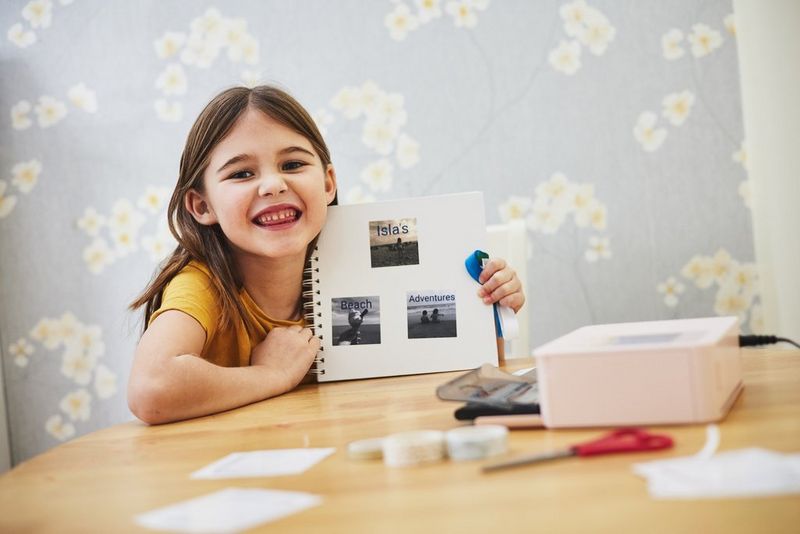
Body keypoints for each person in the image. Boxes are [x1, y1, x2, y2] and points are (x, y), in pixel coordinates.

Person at [128, 85, 526, 425]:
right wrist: (272, 374)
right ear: (201, 206)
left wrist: (487, 316)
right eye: (242, 173)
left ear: (328, 183)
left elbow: (462, 378)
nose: (272, 184)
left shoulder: (358, 268)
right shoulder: (202, 285)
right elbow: (151, 389)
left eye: (293, 164)